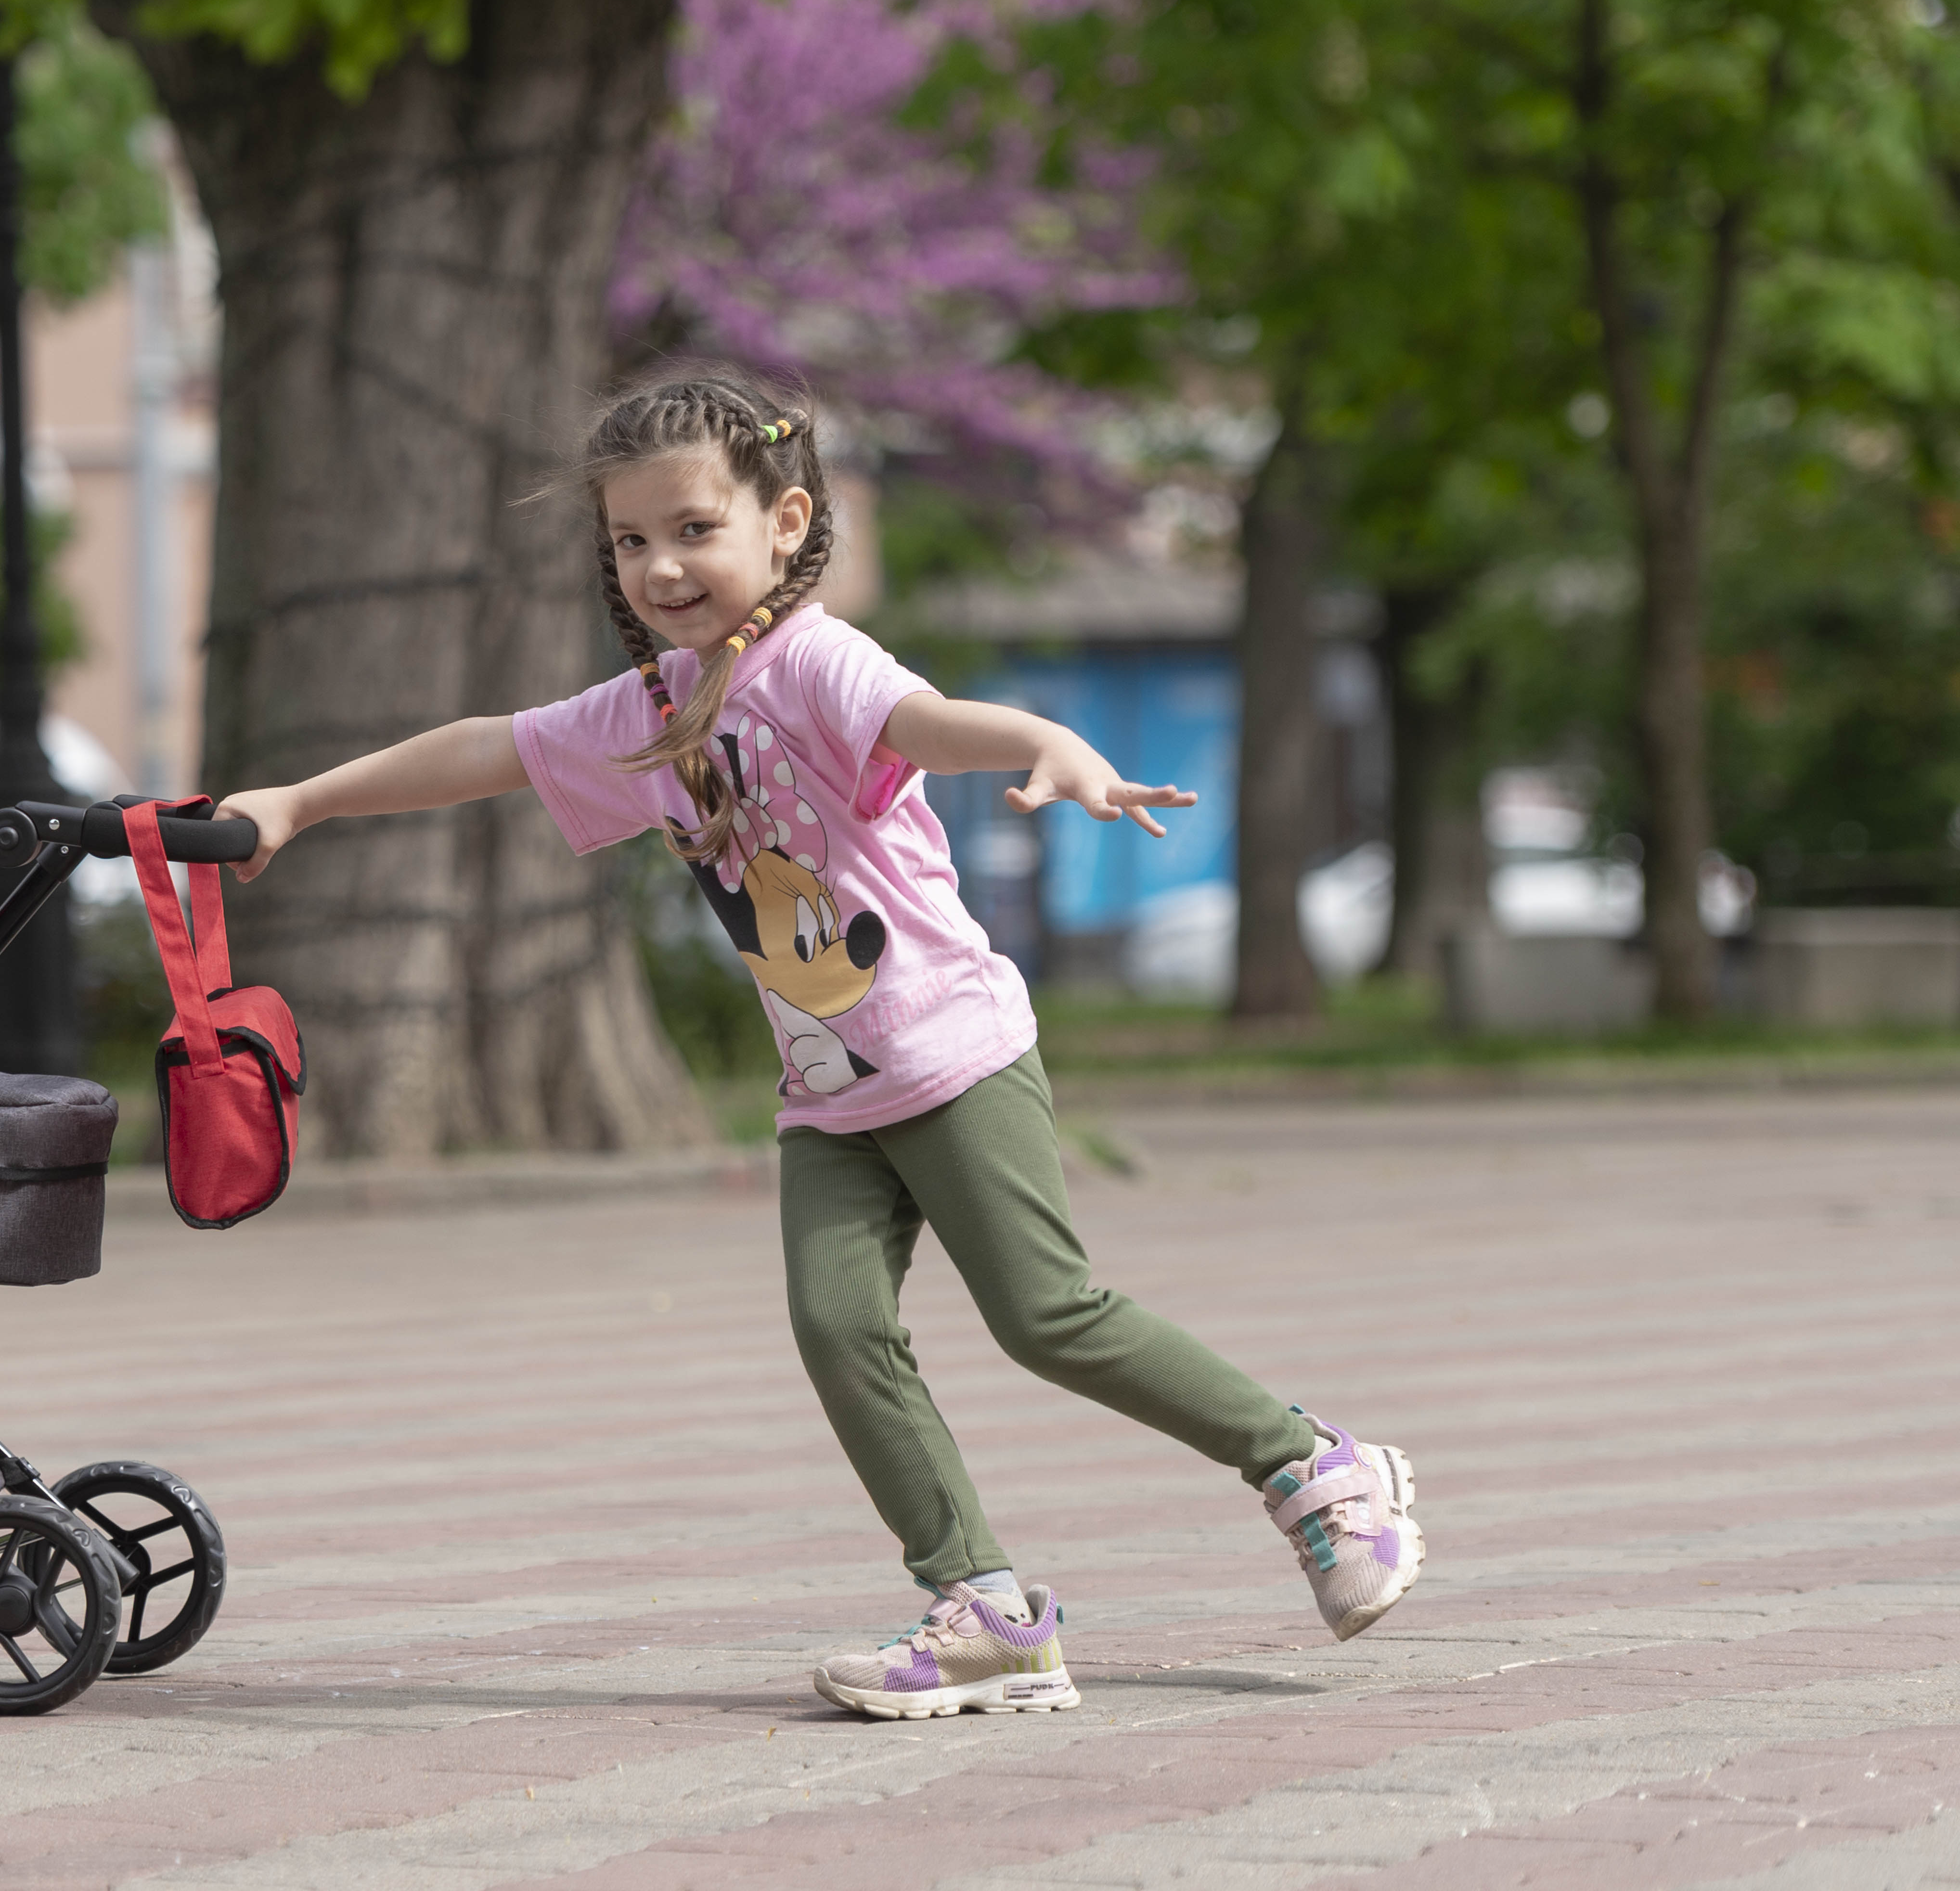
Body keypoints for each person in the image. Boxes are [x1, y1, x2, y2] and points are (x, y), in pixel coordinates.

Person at [216, 365, 1423, 1721]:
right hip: (831, 1091)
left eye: (693, 529)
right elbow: (486, 749)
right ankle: (985, 1612)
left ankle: (1315, 1468)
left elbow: (931, 724)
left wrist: (1047, 740)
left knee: (1049, 1319)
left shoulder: (817, 664)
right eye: (629, 540)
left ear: (785, 523)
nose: (659, 565)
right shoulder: (658, 708)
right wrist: (302, 805)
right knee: (840, 1329)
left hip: (949, 1056)